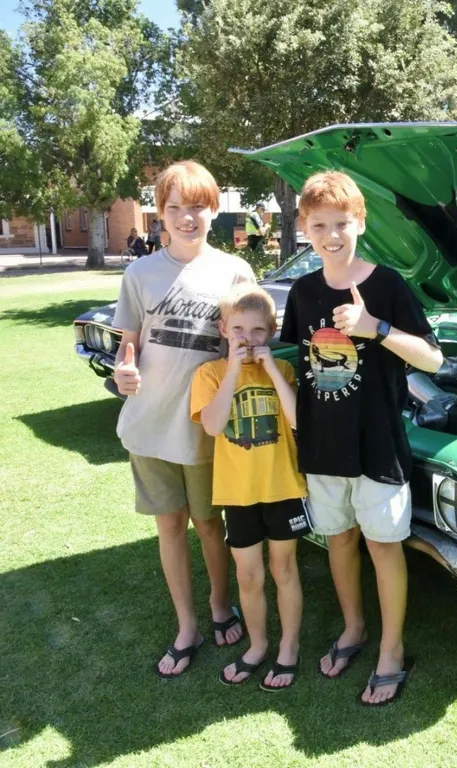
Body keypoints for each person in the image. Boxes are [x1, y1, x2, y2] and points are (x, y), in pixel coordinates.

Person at [280, 171, 443, 706]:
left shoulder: (388, 285)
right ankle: (355, 629)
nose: (331, 234)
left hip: (377, 447)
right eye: (320, 224)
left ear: (361, 222)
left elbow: (434, 359)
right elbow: (295, 365)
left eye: (342, 223)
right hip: (323, 449)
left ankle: (392, 650)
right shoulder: (302, 292)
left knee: (382, 545)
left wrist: (376, 327)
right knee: (339, 540)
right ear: (304, 226)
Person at [112, 160, 257, 679]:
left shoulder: (235, 272)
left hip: (203, 428)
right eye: (175, 208)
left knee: (210, 525)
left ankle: (221, 607)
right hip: (148, 427)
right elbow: (127, 344)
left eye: (196, 206)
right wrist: (123, 372)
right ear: (161, 215)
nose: (187, 217)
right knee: (170, 526)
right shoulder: (139, 273)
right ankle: (187, 626)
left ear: (213, 210)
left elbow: (249, 338)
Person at [191, 285, 310, 691]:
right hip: (237, 492)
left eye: (258, 330)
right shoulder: (209, 374)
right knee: (248, 576)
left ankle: (289, 647)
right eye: (238, 328)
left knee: (284, 568)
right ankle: (258, 646)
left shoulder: (285, 371)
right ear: (223, 329)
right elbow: (212, 424)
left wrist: (274, 370)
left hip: (282, 487)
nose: (247, 337)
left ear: (271, 332)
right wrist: (234, 371)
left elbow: (297, 421)